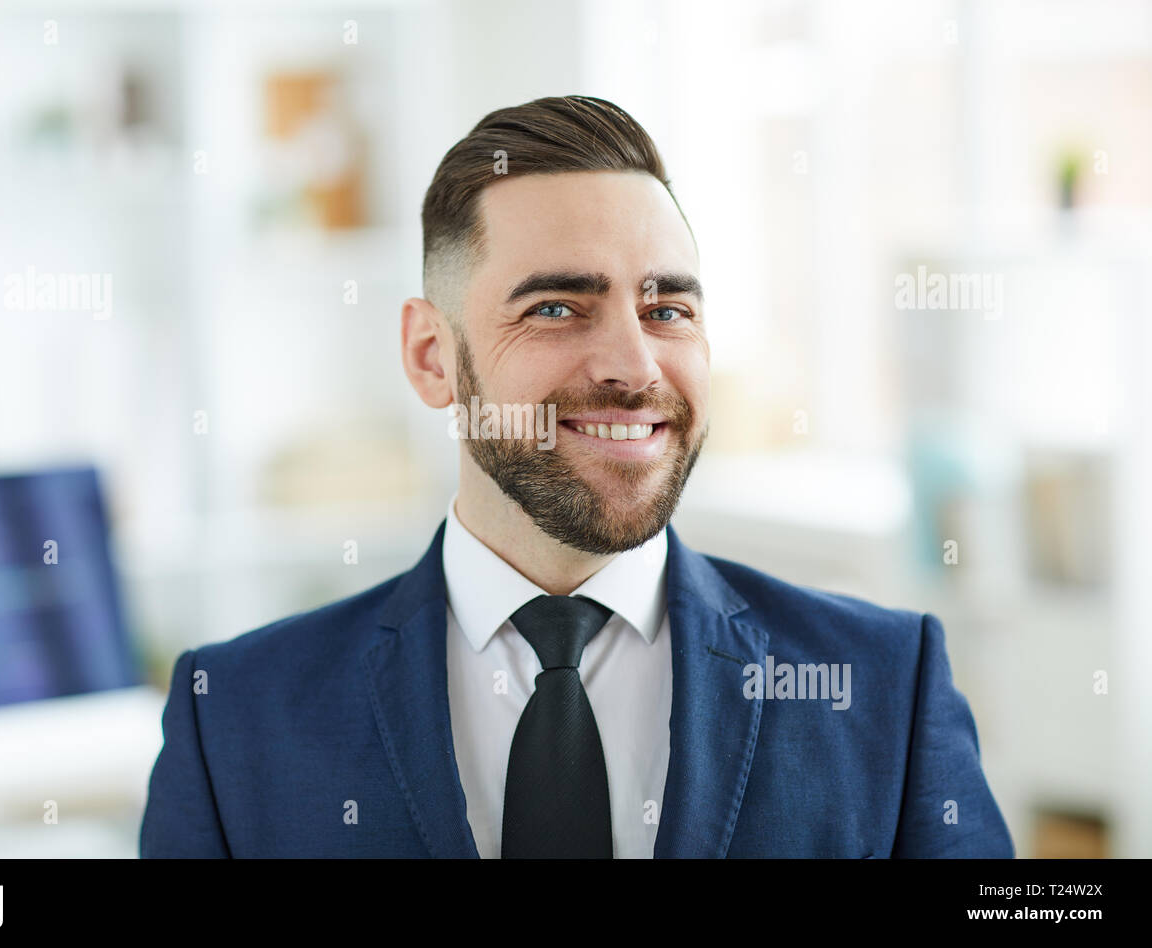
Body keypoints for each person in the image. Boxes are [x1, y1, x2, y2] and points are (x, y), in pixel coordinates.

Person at [140, 95, 1014, 858]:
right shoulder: (237, 719)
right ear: (431, 356)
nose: (636, 368)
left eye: (667, 309)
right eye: (557, 308)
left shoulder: (886, 685)